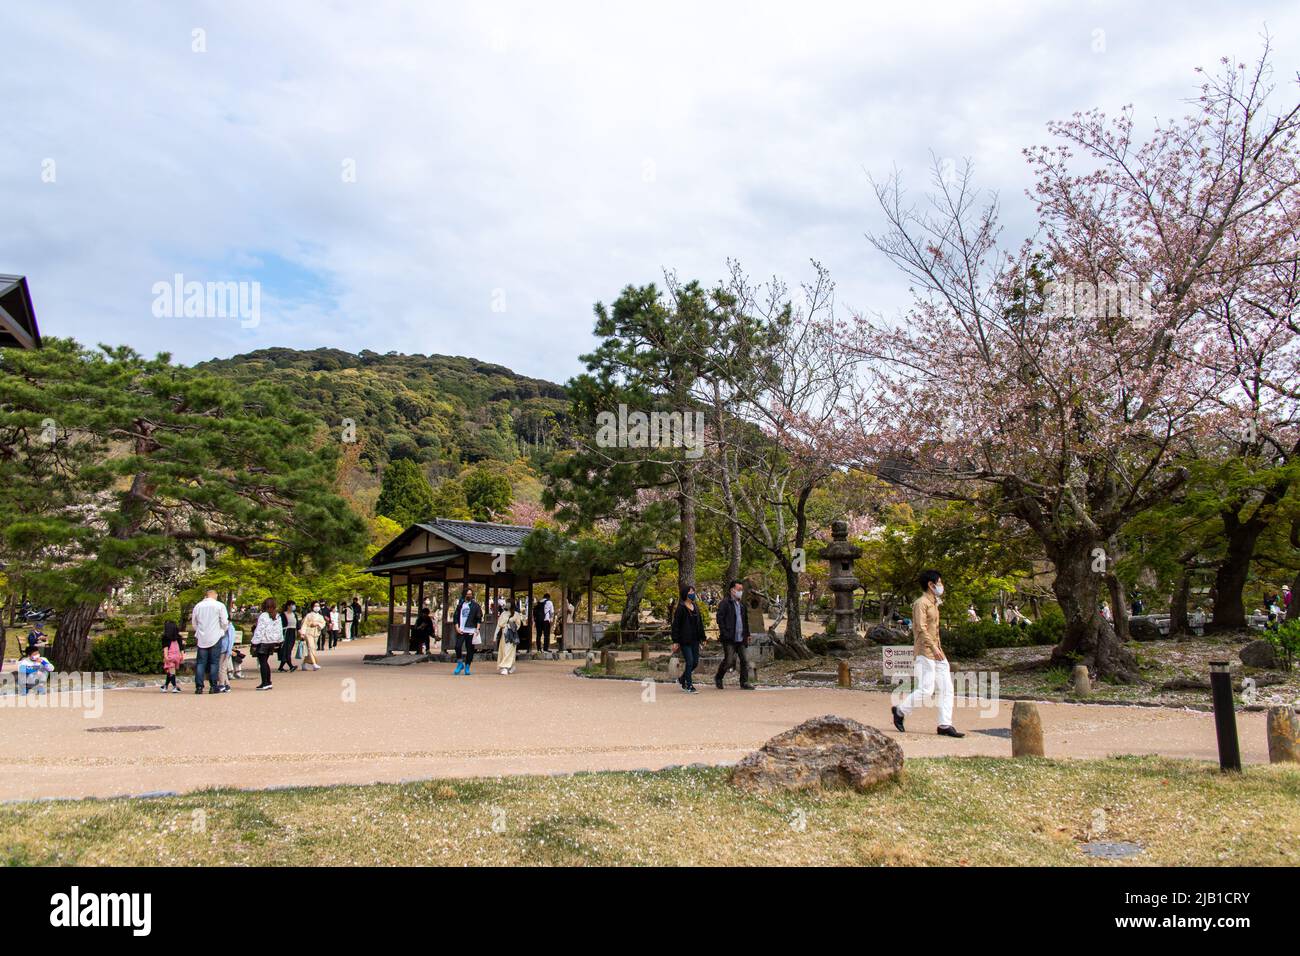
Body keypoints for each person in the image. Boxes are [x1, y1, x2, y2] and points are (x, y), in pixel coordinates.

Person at [892, 570, 964, 737]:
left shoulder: (934, 603)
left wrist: (938, 648)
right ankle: (900, 711)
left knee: (947, 688)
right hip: (925, 651)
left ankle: (944, 725)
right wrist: (933, 648)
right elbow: (920, 628)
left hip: (938, 651)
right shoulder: (920, 603)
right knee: (926, 689)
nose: (941, 586)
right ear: (931, 585)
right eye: (939, 582)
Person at [714, 579, 753, 690]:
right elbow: (720, 619)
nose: (741, 591)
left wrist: (747, 634)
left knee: (744, 660)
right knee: (729, 660)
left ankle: (744, 682)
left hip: (741, 637)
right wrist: (724, 632)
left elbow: (745, 621)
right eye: (738, 589)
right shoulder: (725, 603)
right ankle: (719, 677)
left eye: (742, 589)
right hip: (729, 637)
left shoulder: (741, 605)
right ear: (732, 590)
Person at [190, 589, 230, 695]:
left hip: (202, 638)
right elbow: (225, 622)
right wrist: (222, 630)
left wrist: (199, 632)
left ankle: (199, 687)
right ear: (215, 595)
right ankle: (213, 686)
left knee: (201, 663)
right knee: (214, 663)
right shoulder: (219, 605)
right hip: (215, 637)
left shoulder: (198, 606)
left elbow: (194, 622)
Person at [671, 585, 706, 693]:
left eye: (693, 591)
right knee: (689, 661)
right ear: (685, 593)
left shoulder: (695, 606)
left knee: (695, 662)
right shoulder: (681, 608)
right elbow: (676, 625)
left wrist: (703, 637)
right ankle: (688, 685)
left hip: (695, 639)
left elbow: (700, 623)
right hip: (685, 640)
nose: (693, 593)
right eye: (691, 591)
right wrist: (675, 641)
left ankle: (682, 678)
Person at [250, 597, 283, 691]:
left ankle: (265, 682)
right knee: (265, 662)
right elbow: (279, 630)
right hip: (272, 642)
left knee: (263, 662)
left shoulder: (264, 616)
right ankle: (268, 682)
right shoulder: (277, 616)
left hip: (263, 641)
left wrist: (254, 642)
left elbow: (259, 630)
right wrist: (278, 640)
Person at [452, 586, 482, 675]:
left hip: (471, 629)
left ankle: (468, 666)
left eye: (470, 594)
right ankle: (460, 663)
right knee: (457, 646)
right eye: (467, 594)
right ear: (464, 595)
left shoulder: (475, 605)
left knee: (470, 649)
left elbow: (479, 618)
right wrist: (457, 628)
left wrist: (477, 629)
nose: (469, 595)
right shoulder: (460, 605)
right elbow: (456, 617)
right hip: (461, 629)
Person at [495, 599, 524, 675]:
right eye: (506, 603)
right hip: (504, 635)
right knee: (504, 650)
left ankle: (505, 667)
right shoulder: (503, 613)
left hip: (511, 635)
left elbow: (518, 624)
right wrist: (495, 635)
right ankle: (511, 665)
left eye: (508, 603)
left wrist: (511, 627)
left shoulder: (516, 614)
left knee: (509, 650)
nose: (507, 604)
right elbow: (498, 625)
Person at [299, 603, 325, 671]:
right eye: (315, 606)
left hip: (316, 634)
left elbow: (323, 624)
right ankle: (314, 664)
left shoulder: (320, 616)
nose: (317, 607)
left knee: (312, 649)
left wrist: (317, 624)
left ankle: (304, 663)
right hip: (308, 633)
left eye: (318, 606)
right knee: (311, 647)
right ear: (312, 607)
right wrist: (302, 633)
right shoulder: (309, 615)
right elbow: (304, 624)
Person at [161, 621, 184, 693]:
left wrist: (165, 657)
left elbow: (165, 648)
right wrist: (182, 656)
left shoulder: (165, 638)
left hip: (170, 656)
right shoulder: (178, 637)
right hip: (177, 656)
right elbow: (181, 648)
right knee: (171, 672)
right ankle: (165, 686)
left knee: (171, 672)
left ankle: (174, 686)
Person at [278, 600, 300, 673]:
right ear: (288, 606)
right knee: (286, 649)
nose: (294, 607)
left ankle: (281, 667)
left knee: (289, 649)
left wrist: (300, 633)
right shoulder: (283, 615)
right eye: (292, 605)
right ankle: (291, 666)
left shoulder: (294, 614)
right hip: (286, 633)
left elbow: (297, 625)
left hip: (293, 633)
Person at [218, 620, 238, 687]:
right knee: (222, 667)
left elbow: (231, 640)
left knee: (222, 668)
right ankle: (226, 684)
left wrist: (229, 651)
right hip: (222, 649)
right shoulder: (224, 626)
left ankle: (222, 684)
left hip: (225, 650)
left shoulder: (230, 627)